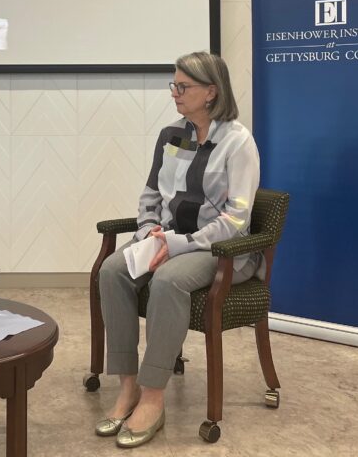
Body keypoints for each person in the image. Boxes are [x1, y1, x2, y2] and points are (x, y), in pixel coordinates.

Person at [95, 52, 261, 449]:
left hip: (220, 250)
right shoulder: (172, 135)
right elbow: (151, 193)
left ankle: (154, 397)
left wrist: (176, 244)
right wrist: (147, 229)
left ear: (211, 92)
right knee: (112, 270)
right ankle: (129, 387)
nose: (175, 93)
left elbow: (236, 220)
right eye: (174, 85)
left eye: (182, 87)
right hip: (168, 238)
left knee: (169, 280)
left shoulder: (238, 143)